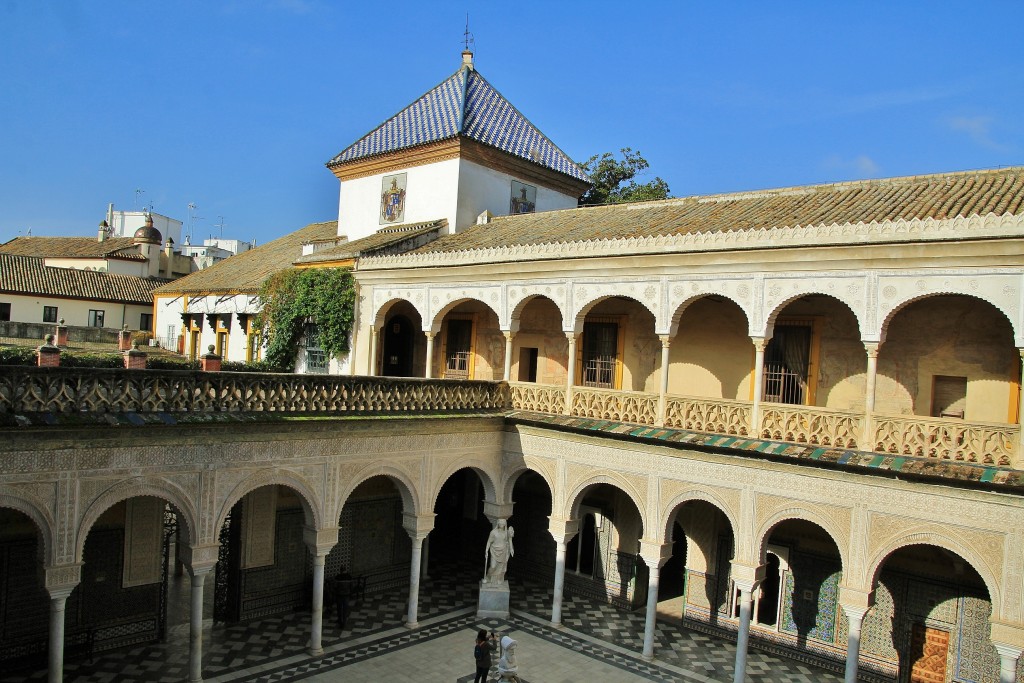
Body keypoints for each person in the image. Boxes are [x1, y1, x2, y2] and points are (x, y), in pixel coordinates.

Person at [484, 518, 514, 584]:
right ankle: (488, 576)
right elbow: (489, 541)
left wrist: (511, 549)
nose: (502, 525)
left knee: (501, 567)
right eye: (501, 523)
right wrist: (486, 550)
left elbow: (510, 540)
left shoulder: (506, 532)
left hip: (503, 551)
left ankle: (498, 579)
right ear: (498, 523)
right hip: (494, 550)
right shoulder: (493, 532)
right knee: (493, 566)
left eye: (503, 524)